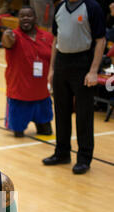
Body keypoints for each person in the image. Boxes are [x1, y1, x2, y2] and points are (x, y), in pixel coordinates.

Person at [42, 0, 106, 174]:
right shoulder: (60, 7)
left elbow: (101, 40)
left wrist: (93, 71)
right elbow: (55, 39)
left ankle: (84, 158)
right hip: (62, 62)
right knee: (61, 111)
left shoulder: (92, 7)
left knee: (83, 114)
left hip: (83, 63)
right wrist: (52, 69)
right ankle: (62, 153)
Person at [2, 6, 54, 137]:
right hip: (19, 94)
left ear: (35, 18)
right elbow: (7, 42)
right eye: (22, 16)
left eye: (29, 15)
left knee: (46, 133)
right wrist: (6, 35)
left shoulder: (47, 37)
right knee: (18, 135)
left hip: (42, 94)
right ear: (18, 19)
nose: (25, 18)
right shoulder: (14, 36)